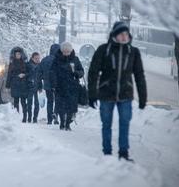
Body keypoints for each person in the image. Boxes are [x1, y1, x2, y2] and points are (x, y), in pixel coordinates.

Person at [88, 21, 147, 161]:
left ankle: (123, 153)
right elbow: (93, 73)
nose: (124, 37)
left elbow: (139, 75)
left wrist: (143, 97)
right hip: (106, 94)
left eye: (126, 34)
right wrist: (92, 94)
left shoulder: (133, 52)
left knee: (124, 124)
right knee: (106, 124)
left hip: (125, 94)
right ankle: (107, 153)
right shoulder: (103, 50)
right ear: (115, 35)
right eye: (121, 34)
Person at [51, 42, 84, 131]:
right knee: (61, 105)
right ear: (61, 51)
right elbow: (52, 72)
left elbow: (81, 71)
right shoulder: (57, 60)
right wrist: (54, 83)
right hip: (60, 86)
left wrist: (76, 73)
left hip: (73, 86)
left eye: (68, 52)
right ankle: (62, 123)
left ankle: (68, 124)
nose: (66, 53)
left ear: (71, 51)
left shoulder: (75, 59)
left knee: (71, 106)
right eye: (64, 52)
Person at [37, 44, 61, 124]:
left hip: (47, 84)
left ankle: (49, 119)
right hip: (58, 84)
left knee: (50, 101)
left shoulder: (44, 60)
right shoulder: (59, 60)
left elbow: (39, 74)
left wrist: (39, 85)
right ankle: (56, 114)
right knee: (58, 100)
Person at [6, 47, 29, 122]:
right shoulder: (12, 64)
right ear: (14, 55)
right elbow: (9, 74)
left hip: (23, 85)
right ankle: (17, 117)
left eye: (19, 54)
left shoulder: (25, 63)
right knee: (15, 102)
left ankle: (25, 117)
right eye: (17, 54)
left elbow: (29, 72)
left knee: (23, 102)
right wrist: (8, 85)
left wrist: (24, 75)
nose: (18, 55)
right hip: (15, 84)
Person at [26, 52, 41, 123]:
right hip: (29, 87)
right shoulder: (28, 65)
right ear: (32, 58)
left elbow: (40, 77)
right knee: (29, 103)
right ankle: (29, 118)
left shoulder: (39, 66)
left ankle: (35, 118)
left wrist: (40, 87)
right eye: (36, 58)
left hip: (36, 87)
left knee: (37, 104)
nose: (38, 60)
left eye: (38, 58)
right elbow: (26, 75)